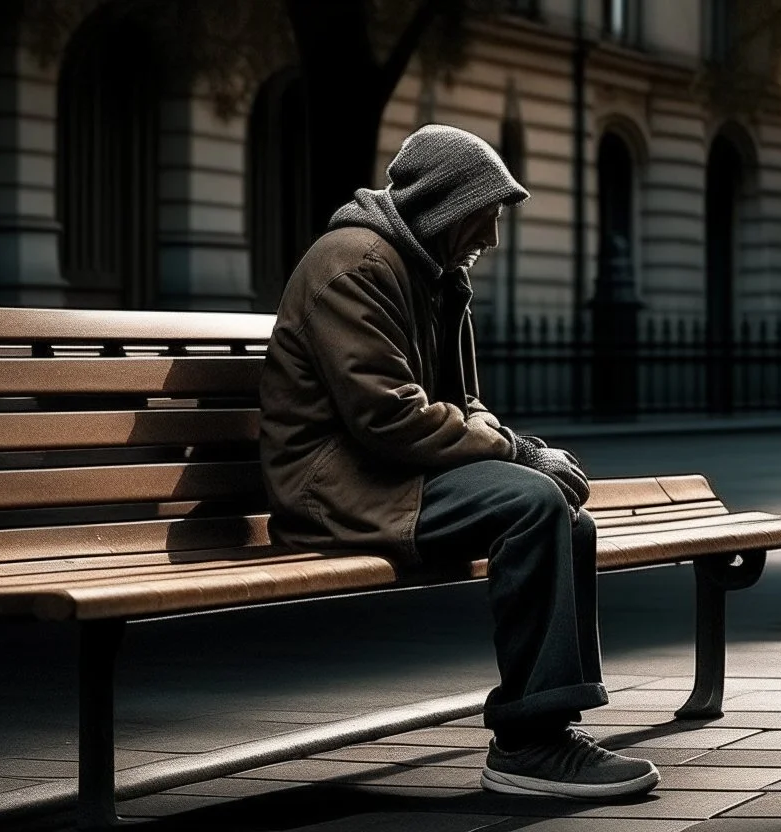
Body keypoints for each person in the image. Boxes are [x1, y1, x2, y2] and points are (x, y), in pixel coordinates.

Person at [257, 124, 659, 800]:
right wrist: (518, 454)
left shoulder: (436, 271)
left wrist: (521, 449)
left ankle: (549, 726)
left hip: (391, 473)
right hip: (333, 487)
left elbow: (462, 402)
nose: (492, 238)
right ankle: (529, 744)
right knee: (531, 504)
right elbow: (388, 418)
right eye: (485, 215)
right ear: (443, 204)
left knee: (562, 513)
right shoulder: (355, 264)